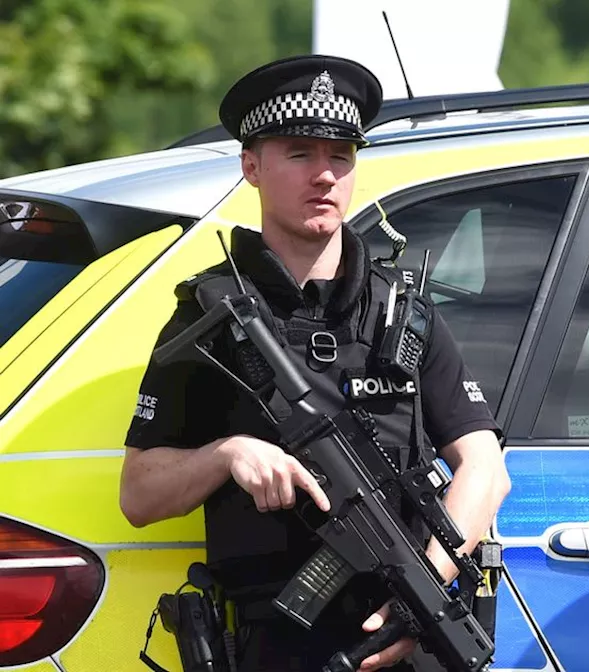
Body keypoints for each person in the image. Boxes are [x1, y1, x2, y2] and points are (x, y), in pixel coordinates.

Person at [119, 54, 511, 672]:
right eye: (300, 154)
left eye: (340, 156)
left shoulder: (404, 310)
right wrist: (229, 454)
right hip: (276, 641)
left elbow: (485, 465)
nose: (324, 175)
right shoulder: (212, 315)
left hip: (406, 637)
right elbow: (139, 495)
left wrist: (425, 591)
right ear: (252, 167)